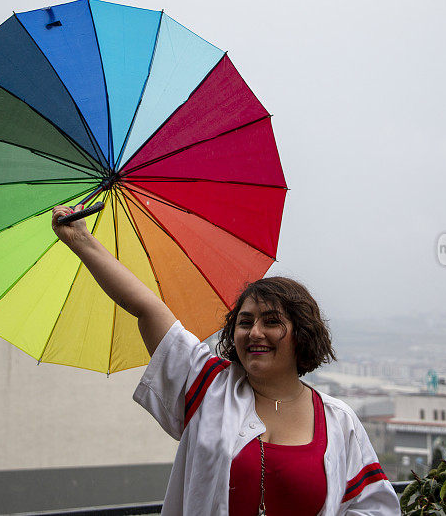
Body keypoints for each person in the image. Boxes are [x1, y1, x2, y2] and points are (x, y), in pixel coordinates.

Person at [52, 204, 400, 515]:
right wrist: (81, 240)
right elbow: (146, 308)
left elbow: (374, 507)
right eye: (245, 322)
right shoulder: (207, 385)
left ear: (303, 334)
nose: (255, 332)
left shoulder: (339, 422)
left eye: (272, 322)